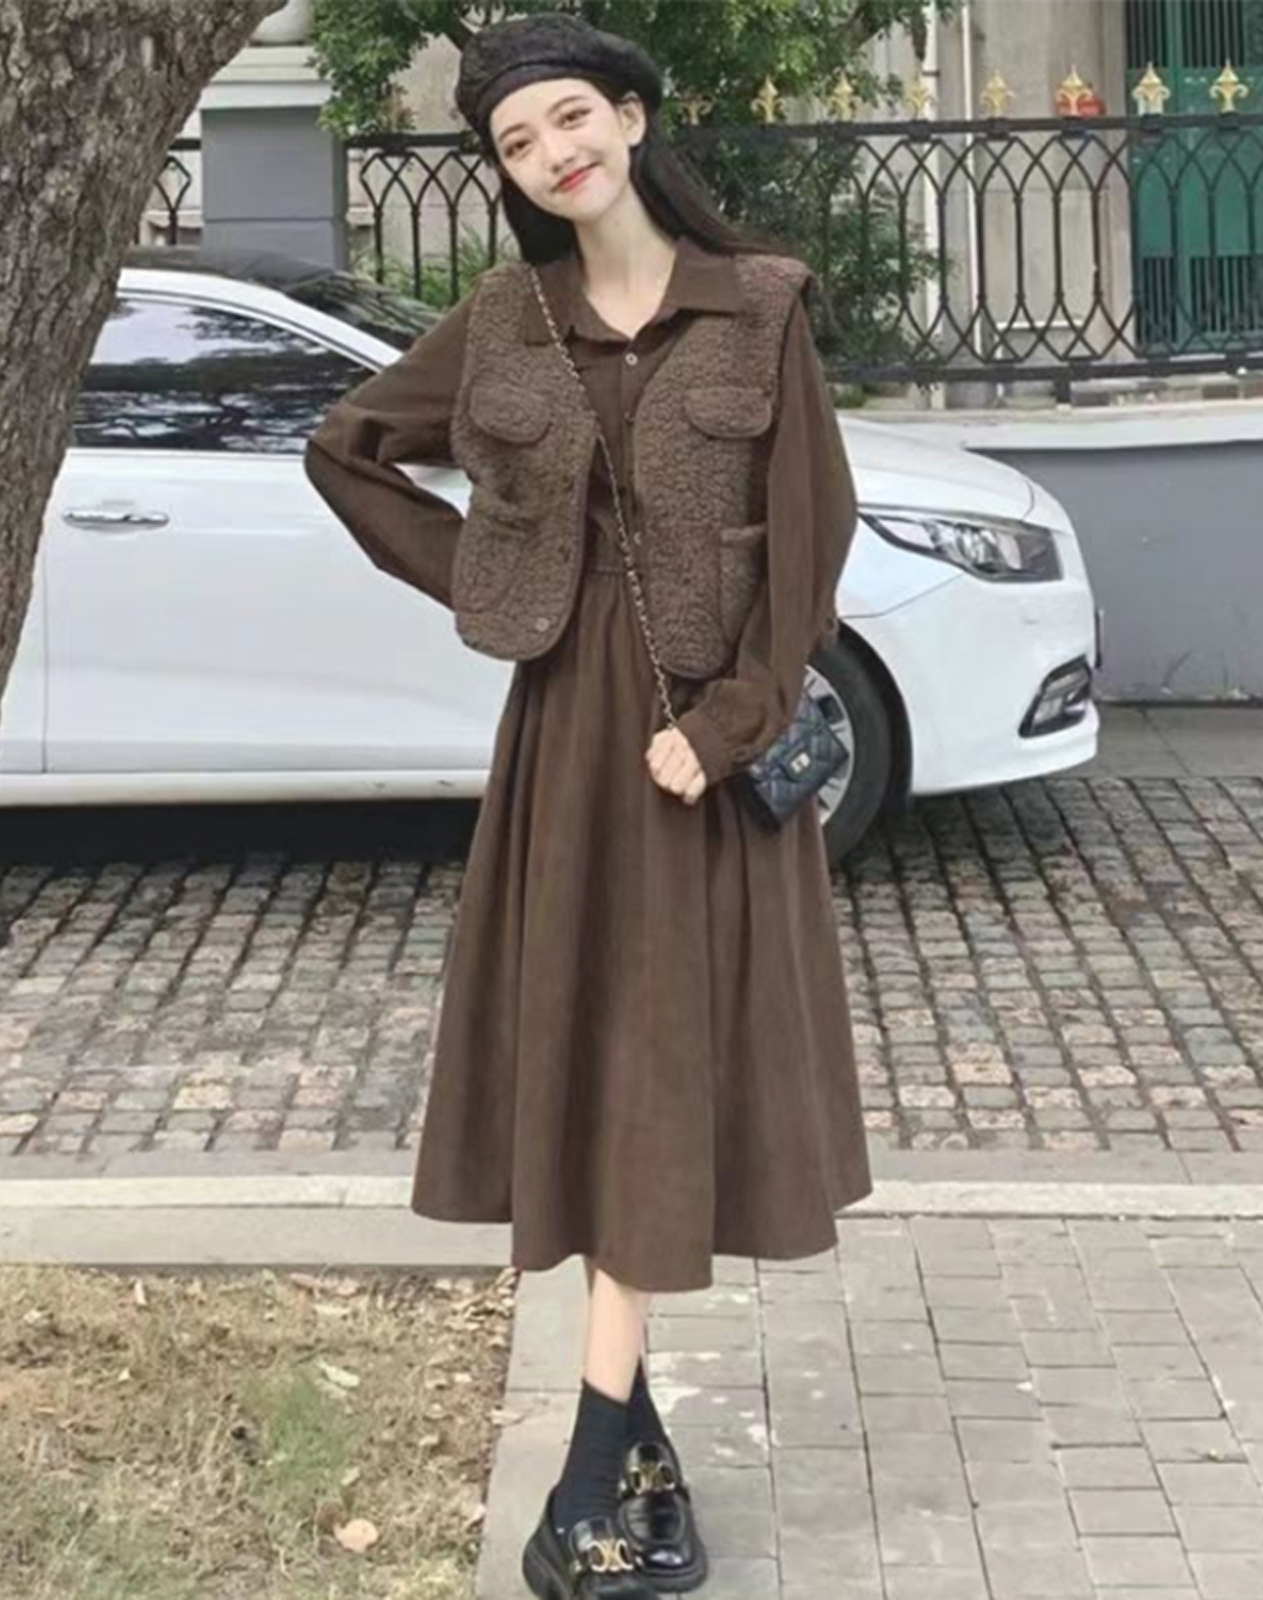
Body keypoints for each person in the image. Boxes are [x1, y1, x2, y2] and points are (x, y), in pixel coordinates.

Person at [303, 12, 873, 1596]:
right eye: (517, 142)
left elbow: (812, 538)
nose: (553, 153)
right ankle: (606, 1467)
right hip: (567, 732)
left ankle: (600, 1459)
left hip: (696, 751)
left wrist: (737, 722)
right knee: (609, 1061)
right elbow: (348, 453)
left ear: (628, 116)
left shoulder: (759, 306)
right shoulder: (505, 322)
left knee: (661, 1066)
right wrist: (491, 580)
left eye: (570, 118)